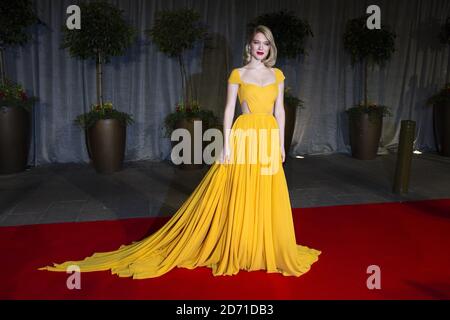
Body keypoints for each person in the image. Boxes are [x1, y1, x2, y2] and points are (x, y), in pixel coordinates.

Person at [39, 25, 321, 279]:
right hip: (245, 135)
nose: (261, 47)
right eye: (257, 42)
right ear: (249, 45)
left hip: (269, 136)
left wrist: (282, 144)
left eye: (266, 43)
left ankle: (266, 244)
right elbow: (227, 110)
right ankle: (242, 245)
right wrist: (226, 144)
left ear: (271, 47)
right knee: (241, 191)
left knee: (266, 192)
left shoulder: (277, 75)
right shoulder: (238, 74)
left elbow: (281, 111)